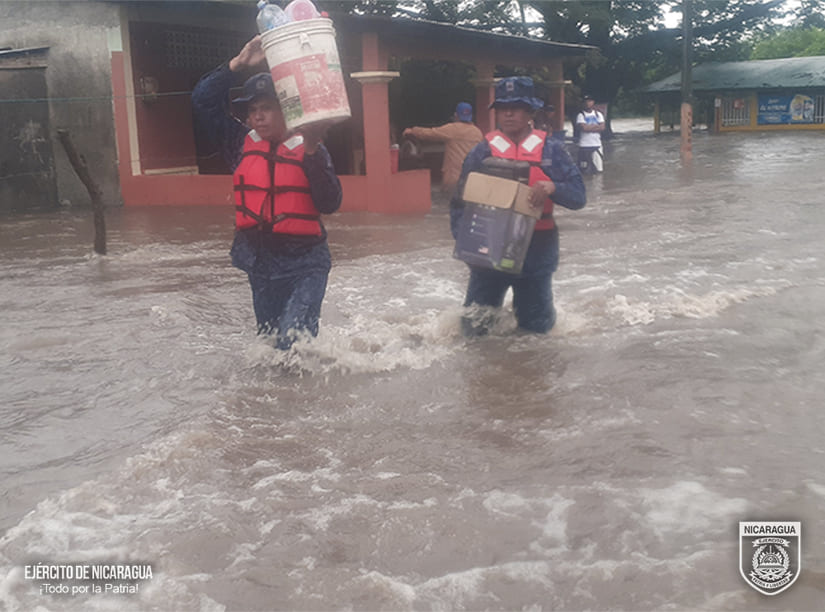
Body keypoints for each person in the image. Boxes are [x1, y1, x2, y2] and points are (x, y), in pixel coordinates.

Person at [192, 35, 342, 349]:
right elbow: (202, 101)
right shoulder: (239, 142)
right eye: (253, 109)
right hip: (259, 259)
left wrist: (313, 151)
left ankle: (304, 395)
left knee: (291, 343)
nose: (257, 116)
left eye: (267, 108)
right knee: (269, 343)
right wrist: (235, 66)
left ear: (287, 109)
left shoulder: (310, 147)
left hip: (305, 262)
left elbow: (330, 202)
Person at [451, 76, 586, 335]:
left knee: (536, 332)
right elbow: (459, 203)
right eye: (503, 107)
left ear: (530, 112)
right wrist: (466, 246)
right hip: (487, 248)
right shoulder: (481, 152)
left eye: (516, 107)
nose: (509, 113)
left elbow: (579, 197)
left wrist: (553, 187)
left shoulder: (553, 150)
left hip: (538, 249)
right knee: (474, 328)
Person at [403, 102, 483, 193]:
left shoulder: (452, 129)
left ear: (456, 115)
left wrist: (413, 131)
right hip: (471, 179)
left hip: (454, 179)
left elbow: (431, 133)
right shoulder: (477, 133)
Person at [576, 94, 605, 173]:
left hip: (597, 145)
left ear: (593, 102)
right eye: (585, 101)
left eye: (589, 101)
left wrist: (589, 127)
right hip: (584, 146)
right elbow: (583, 128)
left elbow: (602, 127)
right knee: (584, 170)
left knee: (598, 170)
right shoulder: (580, 115)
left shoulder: (598, 114)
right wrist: (596, 126)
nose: (587, 103)